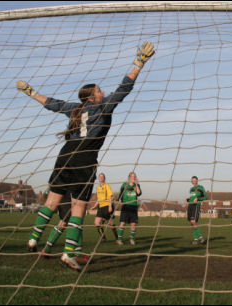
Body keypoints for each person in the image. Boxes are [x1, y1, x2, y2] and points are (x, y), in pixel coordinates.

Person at [17, 41, 155, 271]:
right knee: (79, 206)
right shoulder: (103, 107)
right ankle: (69, 254)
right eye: (99, 90)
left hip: (65, 155)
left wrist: (30, 91)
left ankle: (34, 237)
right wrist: (139, 62)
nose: (103, 92)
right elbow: (124, 88)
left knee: (52, 201)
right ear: (93, 97)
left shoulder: (75, 109)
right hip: (84, 157)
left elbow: (51, 103)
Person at [117, 172, 142, 246]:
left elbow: (139, 193)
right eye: (132, 176)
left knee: (133, 224)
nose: (133, 178)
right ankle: (119, 240)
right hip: (125, 206)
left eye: (134, 176)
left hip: (133, 206)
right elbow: (120, 194)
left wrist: (137, 184)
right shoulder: (124, 185)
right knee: (123, 223)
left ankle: (131, 239)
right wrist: (120, 201)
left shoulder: (137, 185)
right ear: (129, 177)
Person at [94, 173, 117, 242]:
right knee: (96, 223)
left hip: (107, 206)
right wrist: (94, 206)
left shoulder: (107, 186)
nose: (101, 178)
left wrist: (110, 206)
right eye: (100, 177)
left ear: (104, 178)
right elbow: (98, 198)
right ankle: (103, 237)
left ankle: (117, 237)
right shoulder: (97, 187)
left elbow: (110, 196)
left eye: (102, 177)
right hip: (100, 207)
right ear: (98, 178)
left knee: (111, 223)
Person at [186, 176, 207, 244]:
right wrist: (187, 199)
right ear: (191, 181)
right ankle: (195, 239)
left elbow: (205, 197)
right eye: (192, 180)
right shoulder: (191, 189)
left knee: (193, 221)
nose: (194, 181)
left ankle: (201, 238)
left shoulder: (200, 187)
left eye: (195, 180)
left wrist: (198, 199)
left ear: (197, 181)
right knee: (191, 223)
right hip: (190, 205)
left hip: (196, 205)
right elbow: (192, 197)